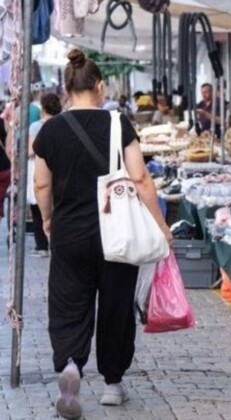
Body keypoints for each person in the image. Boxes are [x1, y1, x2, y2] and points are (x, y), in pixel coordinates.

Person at [33, 49, 173, 420]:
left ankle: (70, 366)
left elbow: (41, 186)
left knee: (69, 306)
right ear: (99, 86)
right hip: (118, 234)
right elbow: (140, 177)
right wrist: (160, 224)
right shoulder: (119, 123)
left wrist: (47, 221)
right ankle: (112, 383)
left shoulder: (50, 130)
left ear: (65, 90)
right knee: (115, 307)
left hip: (69, 234)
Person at [27, 93, 62, 258]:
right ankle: (56, 244)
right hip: (60, 169)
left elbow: (30, 150)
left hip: (40, 169)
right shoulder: (64, 122)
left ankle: (42, 245)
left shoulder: (36, 126)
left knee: (38, 208)